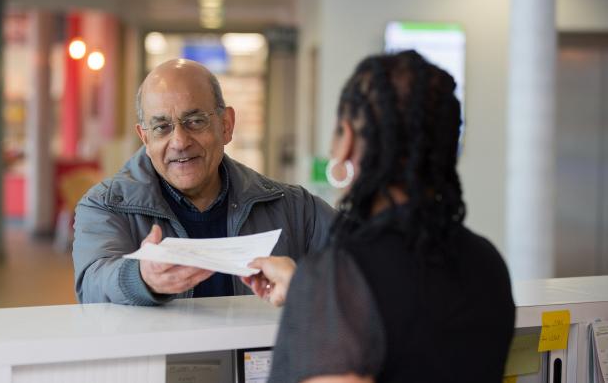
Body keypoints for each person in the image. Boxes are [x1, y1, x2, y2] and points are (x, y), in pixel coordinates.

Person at [243, 51, 515, 383]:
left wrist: (317, 293)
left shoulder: (341, 276)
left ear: (348, 140)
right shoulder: (488, 264)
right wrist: (308, 290)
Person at [72, 59, 335, 306]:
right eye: (162, 127)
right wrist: (140, 277)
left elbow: (365, 260)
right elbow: (93, 285)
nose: (179, 142)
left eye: (195, 122)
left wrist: (306, 285)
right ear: (145, 138)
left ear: (226, 125)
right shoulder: (105, 205)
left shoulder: (293, 208)